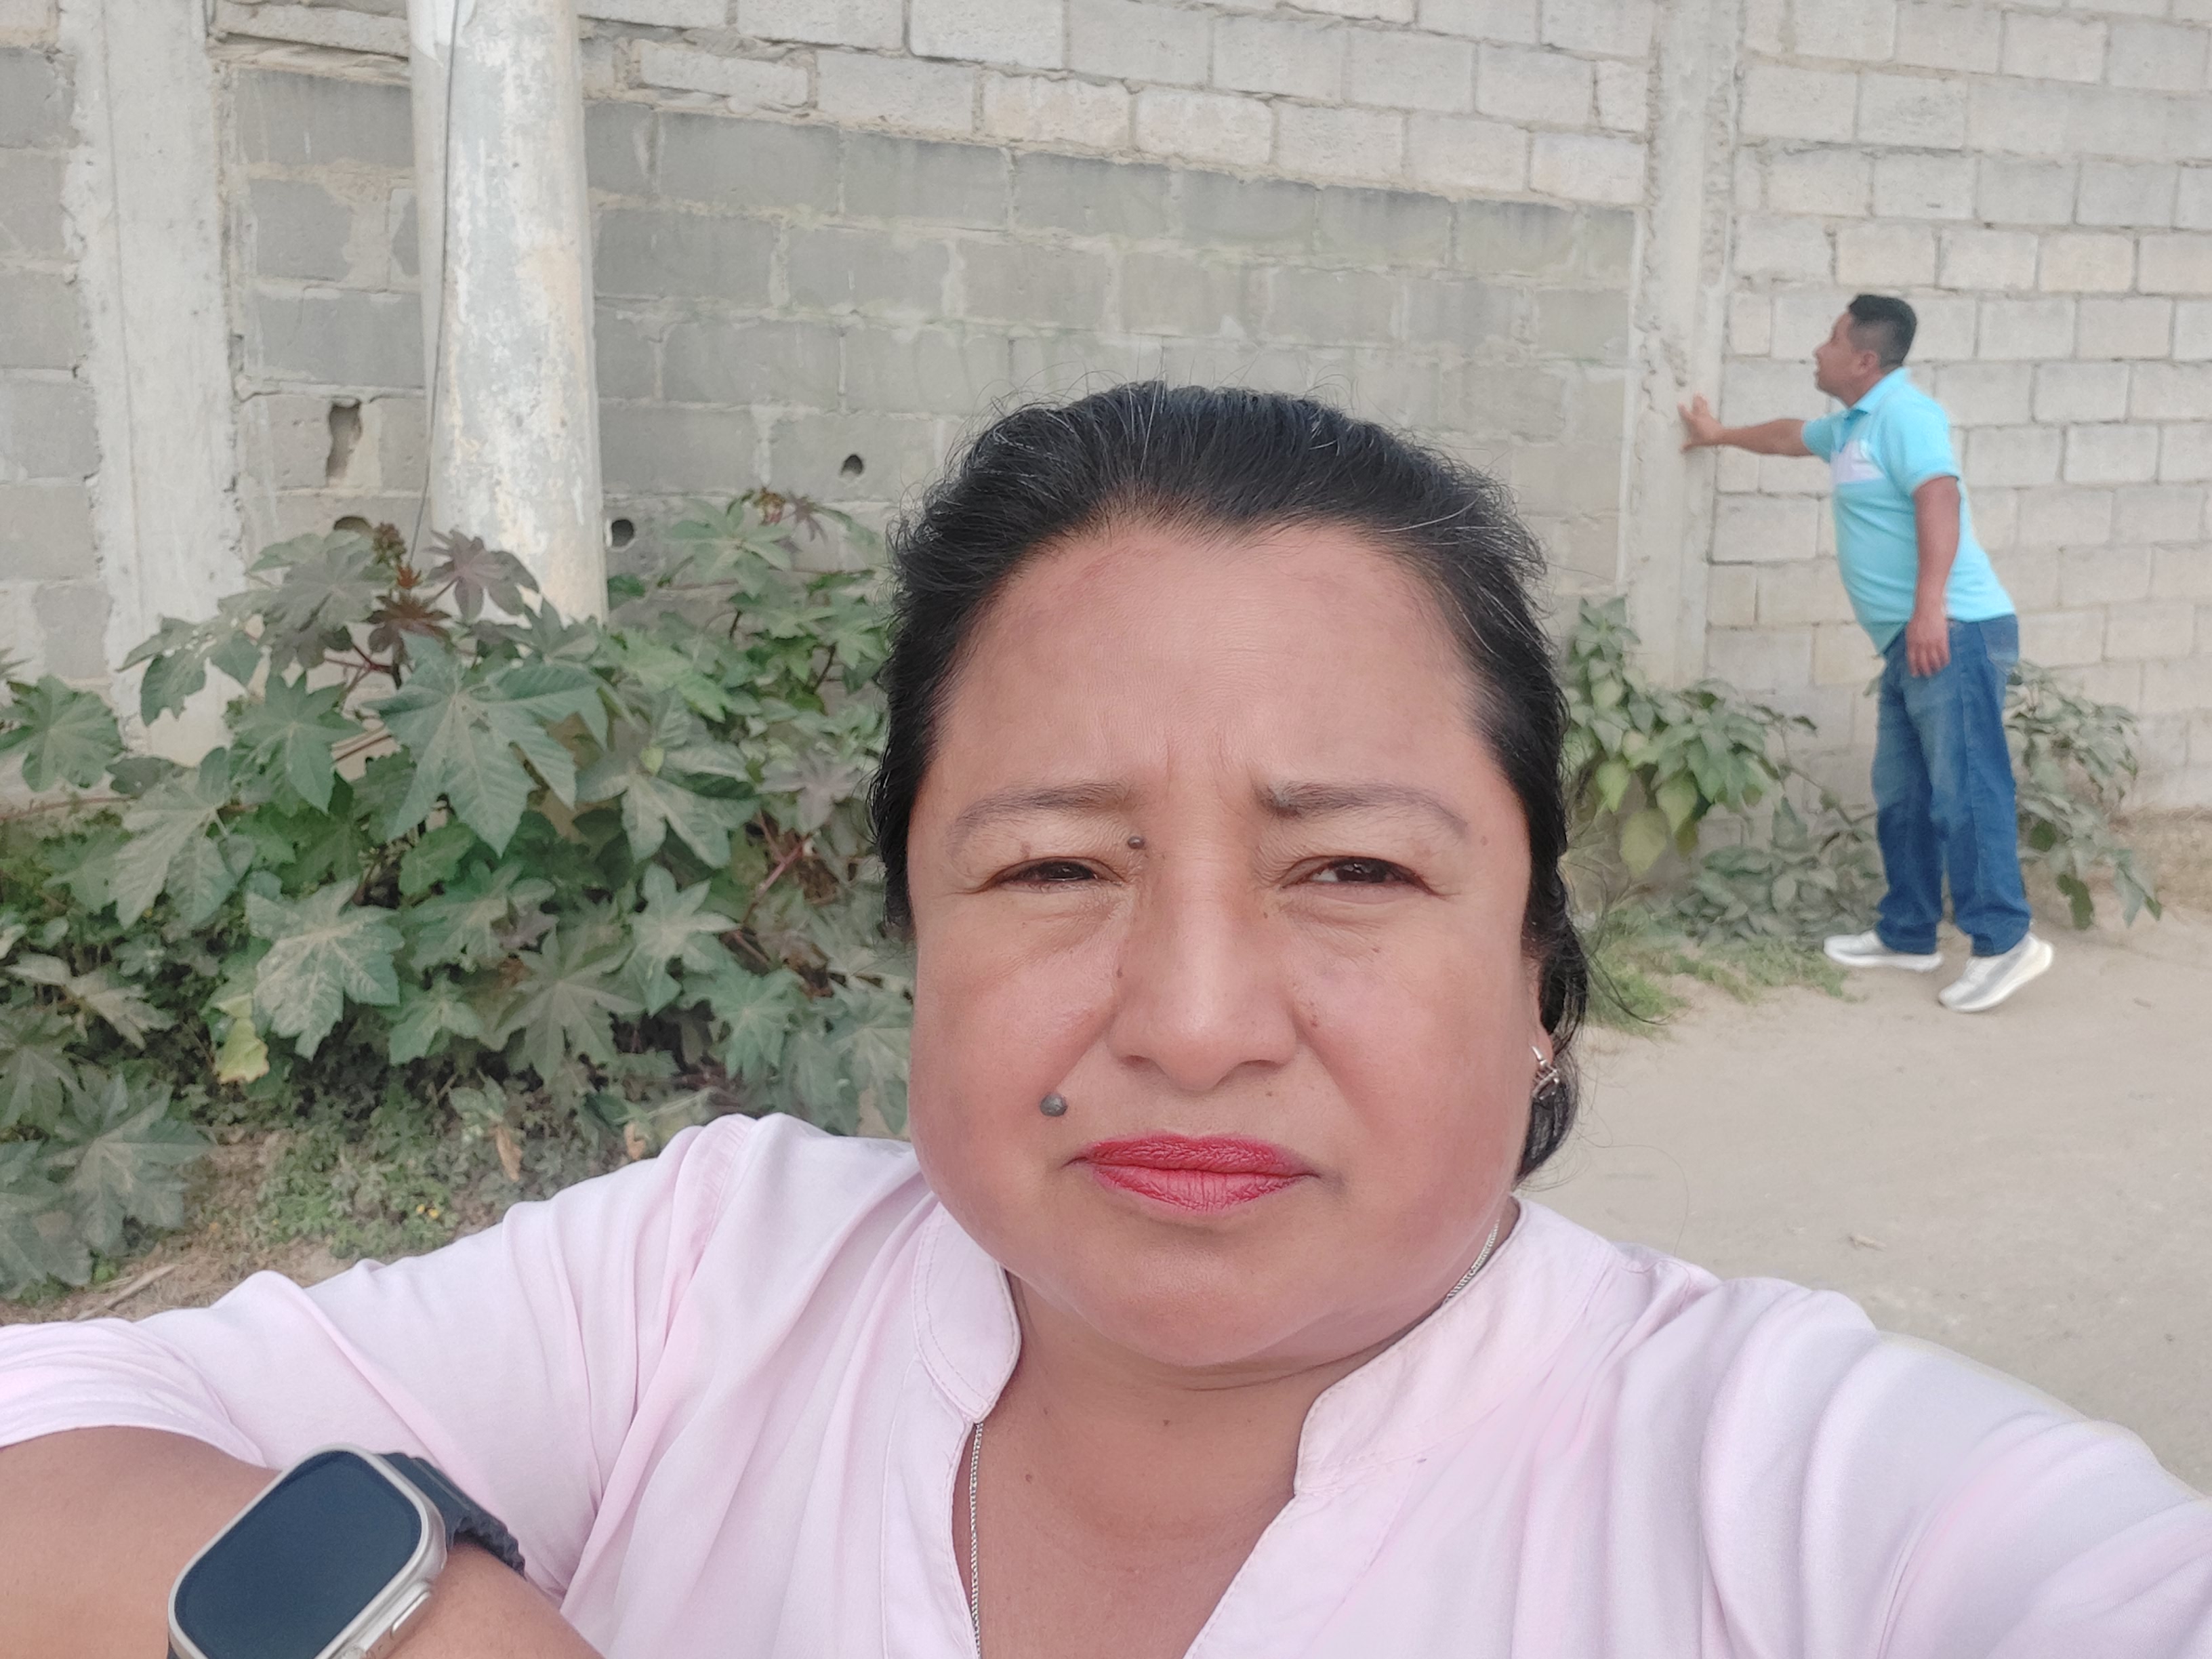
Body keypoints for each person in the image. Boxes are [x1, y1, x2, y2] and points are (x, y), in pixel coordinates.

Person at [2, 386, 2205, 1659]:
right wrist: (413, 1622)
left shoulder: (1804, 1501)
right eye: (1056, 867)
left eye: (1352, 872)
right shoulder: (706, 1280)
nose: (1194, 1018)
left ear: (1542, 977)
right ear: (914, 934)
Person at [1681, 294, 2053, 1014]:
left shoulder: (1906, 415)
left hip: (1954, 629)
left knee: (1968, 788)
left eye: (1830, 338)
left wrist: (1929, 608)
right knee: (1905, 792)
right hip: (1914, 639)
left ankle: (2004, 942)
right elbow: (1790, 436)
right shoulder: (1854, 426)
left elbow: (1939, 498)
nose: (1816, 349)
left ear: (1864, 359)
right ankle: (1908, 932)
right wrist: (1719, 434)